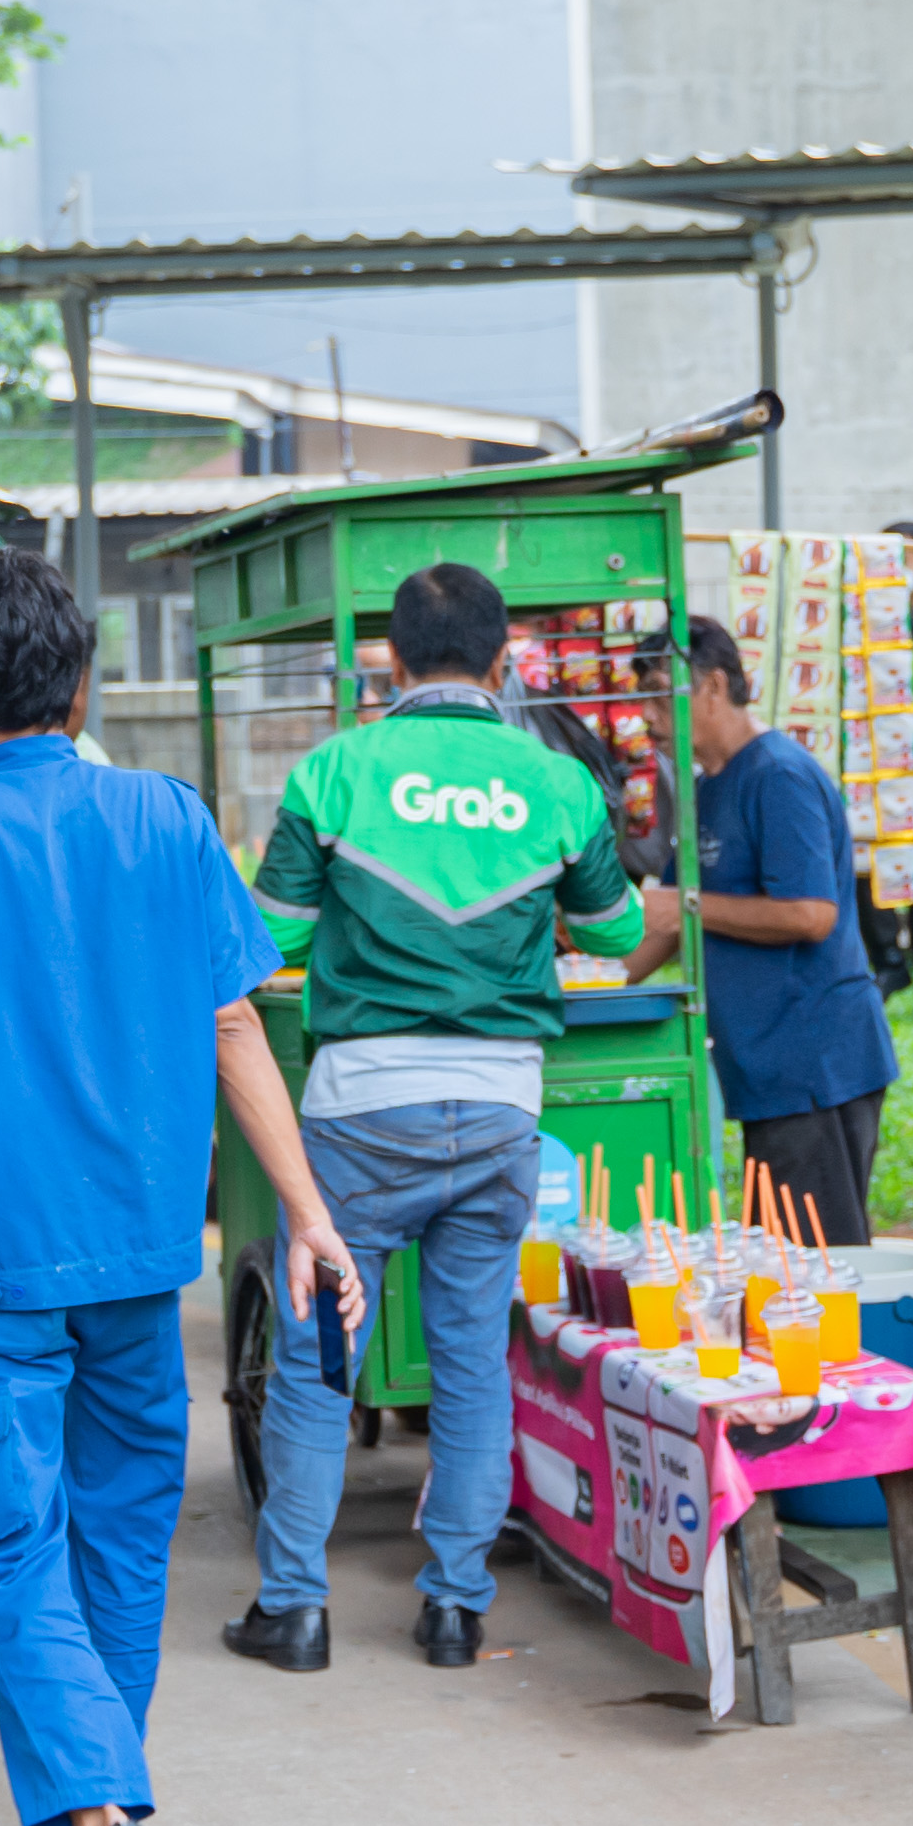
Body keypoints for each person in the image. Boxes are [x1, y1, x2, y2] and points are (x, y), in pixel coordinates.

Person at [0, 547, 352, 1826]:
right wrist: (308, 1212)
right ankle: (90, 1800)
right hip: (143, 1249)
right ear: (75, 681)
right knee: (126, 1527)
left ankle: (102, 1816)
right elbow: (236, 1024)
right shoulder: (171, 817)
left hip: (3, 1254)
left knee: (8, 1534)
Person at [238, 560, 677, 1672]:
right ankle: (453, 1609)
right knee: (474, 1359)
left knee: (319, 1359)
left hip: (358, 1117)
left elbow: (269, 937)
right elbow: (617, 932)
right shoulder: (558, 785)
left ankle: (294, 1609)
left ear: (391, 658)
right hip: (498, 1113)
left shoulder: (334, 771)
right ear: (501, 660)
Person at [685, 617, 899, 1249]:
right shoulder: (705, 787)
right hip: (763, 1071)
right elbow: (666, 918)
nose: (646, 718)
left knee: (815, 1268)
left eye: (658, 698)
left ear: (712, 687)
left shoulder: (777, 775)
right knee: (778, 1263)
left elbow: (811, 914)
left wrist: (689, 904)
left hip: (813, 1068)